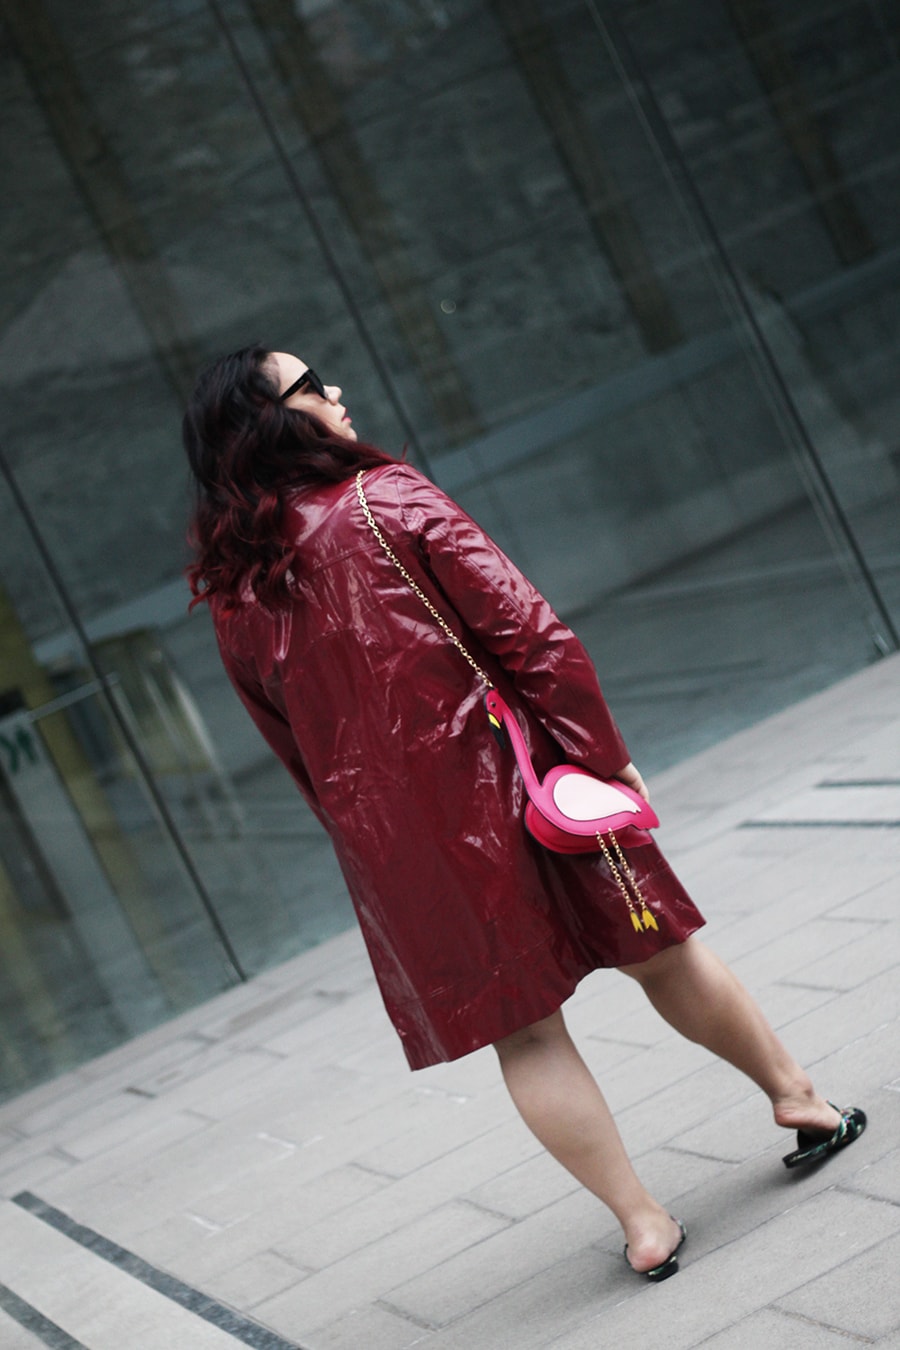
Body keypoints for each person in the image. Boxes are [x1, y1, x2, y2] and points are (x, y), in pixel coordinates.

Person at [183, 345, 865, 1282]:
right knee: (661, 951)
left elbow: (299, 755)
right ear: (272, 420)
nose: (336, 393)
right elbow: (530, 632)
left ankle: (642, 1224)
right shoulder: (389, 502)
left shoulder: (238, 593)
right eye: (311, 386)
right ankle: (798, 1098)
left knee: (526, 1032)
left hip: (404, 849)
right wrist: (605, 756)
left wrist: (375, 852)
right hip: (524, 780)